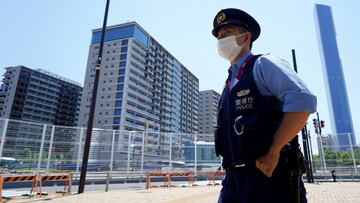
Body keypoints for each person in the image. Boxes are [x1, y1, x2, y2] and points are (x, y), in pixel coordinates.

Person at [212, 8, 317, 202]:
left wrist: (274, 150)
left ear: (245, 38)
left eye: (227, 33)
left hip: (268, 175)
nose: (221, 40)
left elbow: (302, 101)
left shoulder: (264, 64)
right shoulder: (228, 85)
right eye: (218, 36)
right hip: (233, 181)